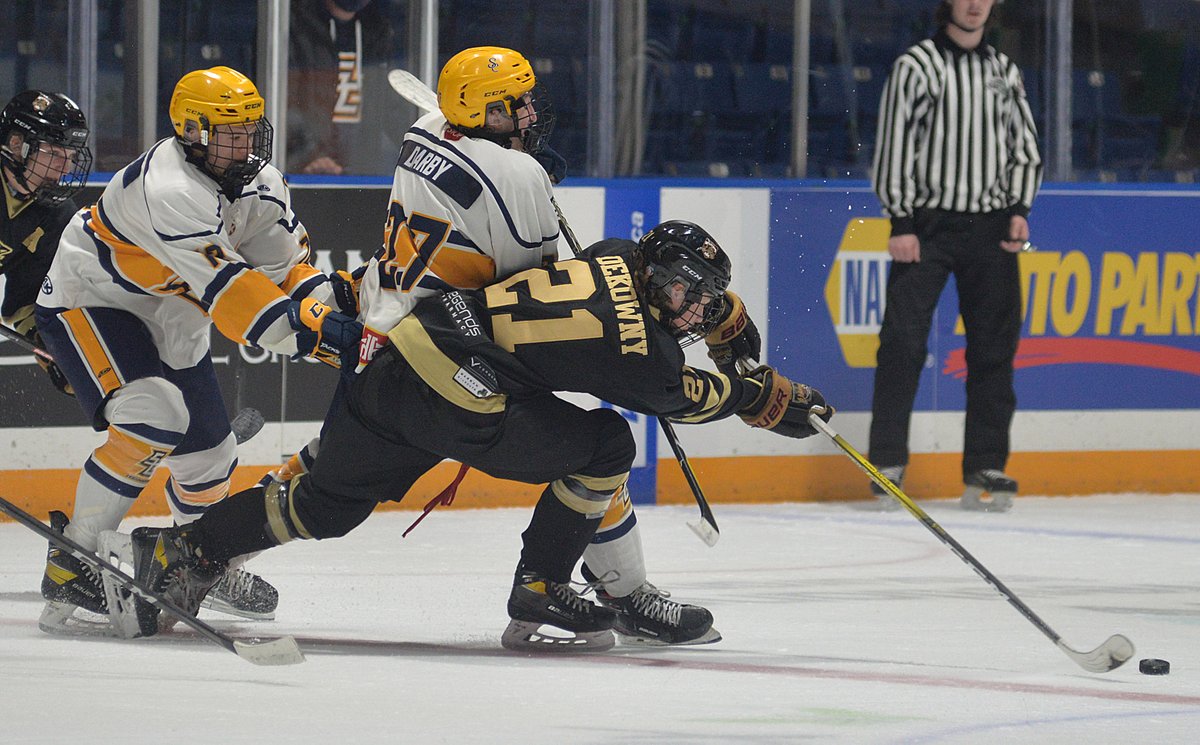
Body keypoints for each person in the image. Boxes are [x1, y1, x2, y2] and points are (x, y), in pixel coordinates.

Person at [116, 219, 832, 651]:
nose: (693, 306)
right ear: (653, 275)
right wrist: (763, 393)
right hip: (462, 399)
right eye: (686, 292)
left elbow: (679, 311)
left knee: (320, 505)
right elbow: (695, 396)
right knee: (609, 445)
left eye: (701, 296)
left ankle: (181, 548)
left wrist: (727, 320)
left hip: (401, 358)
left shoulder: (618, 252)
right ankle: (541, 587)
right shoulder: (641, 350)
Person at [273, 45, 731, 646]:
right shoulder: (506, 175)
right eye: (517, 105)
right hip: (431, 349)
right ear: (486, 113)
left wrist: (519, 165)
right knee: (325, 492)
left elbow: (468, 161)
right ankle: (574, 591)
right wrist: (528, 186)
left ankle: (613, 591)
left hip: (413, 330)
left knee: (593, 456)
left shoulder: (428, 134)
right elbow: (532, 283)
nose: (530, 113)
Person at [32, 66, 362, 634]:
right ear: (190, 131)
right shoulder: (170, 189)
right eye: (227, 132)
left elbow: (290, 274)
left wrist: (344, 309)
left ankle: (197, 564)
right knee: (153, 414)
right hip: (95, 296)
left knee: (211, 454)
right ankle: (74, 558)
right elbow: (241, 303)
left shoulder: (262, 185)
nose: (245, 143)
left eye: (250, 129)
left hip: (174, 314)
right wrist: (329, 342)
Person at [868, 0, 1042, 512]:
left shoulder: (1003, 70)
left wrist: (1018, 207)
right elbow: (894, 144)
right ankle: (888, 462)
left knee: (994, 348)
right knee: (901, 342)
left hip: (991, 230)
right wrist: (900, 221)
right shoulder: (916, 65)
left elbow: (1024, 146)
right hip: (927, 227)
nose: (973, 5)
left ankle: (986, 464)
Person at [0, 90, 91, 396]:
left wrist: (53, 348)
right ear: (16, 145)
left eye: (70, 157)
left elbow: (27, 298)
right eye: (54, 153)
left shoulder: (54, 217)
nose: (65, 168)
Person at [287, 0, 403, 174]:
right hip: (304, 170)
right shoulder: (294, 26)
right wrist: (309, 155)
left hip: (361, 175)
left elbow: (392, 108)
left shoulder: (378, 31)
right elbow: (284, 101)